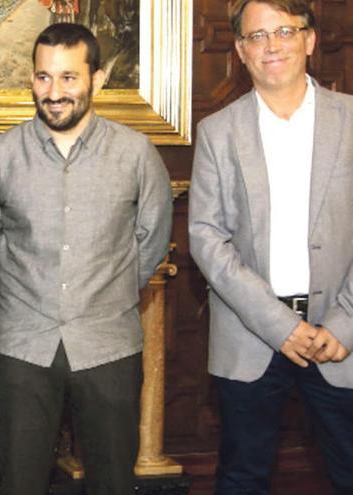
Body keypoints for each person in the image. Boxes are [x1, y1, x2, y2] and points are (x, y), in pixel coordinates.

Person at [0, 22, 172, 495]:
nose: (53, 92)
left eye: (68, 78)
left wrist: (111, 291)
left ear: (97, 79)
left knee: (113, 481)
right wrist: (25, 288)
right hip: (23, 347)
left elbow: (152, 237)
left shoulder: (136, 154)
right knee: (21, 482)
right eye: (43, 77)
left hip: (109, 345)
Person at [188, 1, 353, 493]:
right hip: (251, 336)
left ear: (309, 39)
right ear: (240, 51)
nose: (272, 45)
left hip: (340, 338)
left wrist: (344, 322)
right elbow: (206, 236)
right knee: (242, 478)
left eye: (285, 31)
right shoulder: (216, 132)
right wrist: (281, 326)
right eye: (257, 37)